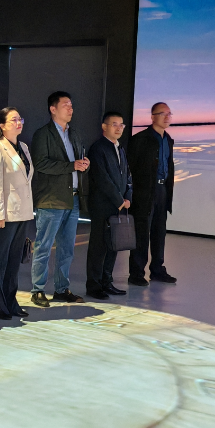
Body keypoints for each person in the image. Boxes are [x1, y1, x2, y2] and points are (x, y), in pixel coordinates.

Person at [28, 91, 89, 307]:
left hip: (72, 198)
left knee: (67, 249)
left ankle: (62, 289)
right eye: (66, 105)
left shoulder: (74, 134)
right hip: (51, 199)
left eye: (71, 105)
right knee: (44, 246)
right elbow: (41, 164)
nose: (71, 109)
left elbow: (76, 161)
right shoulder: (43, 134)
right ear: (53, 109)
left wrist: (83, 163)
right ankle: (37, 290)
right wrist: (72, 166)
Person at [0, 107, 34, 320]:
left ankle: (10, 302)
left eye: (20, 119)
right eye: (13, 120)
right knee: (0, 260)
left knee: (14, 260)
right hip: (6, 214)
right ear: (2, 125)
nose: (18, 122)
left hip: (23, 212)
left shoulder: (23, 147)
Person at [127, 102, 177, 286]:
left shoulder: (168, 139)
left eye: (169, 114)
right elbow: (130, 168)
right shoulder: (140, 139)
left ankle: (157, 269)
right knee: (141, 232)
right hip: (144, 191)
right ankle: (136, 273)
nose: (167, 117)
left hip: (162, 190)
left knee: (159, 231)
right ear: (152, 117)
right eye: (163, 113)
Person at [85, 111, 133, 299]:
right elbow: (102, 179)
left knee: (113, 244)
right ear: (104, 127)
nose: (119, 128)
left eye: (122, 125)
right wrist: (119, 200)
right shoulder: (98, 148)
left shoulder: (120, 149)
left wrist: (127, 197)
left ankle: (107, 282)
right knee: (98, 246)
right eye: (114, 124)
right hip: (102, 206)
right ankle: (94, 286)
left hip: (117, 206)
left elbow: (128, 176)